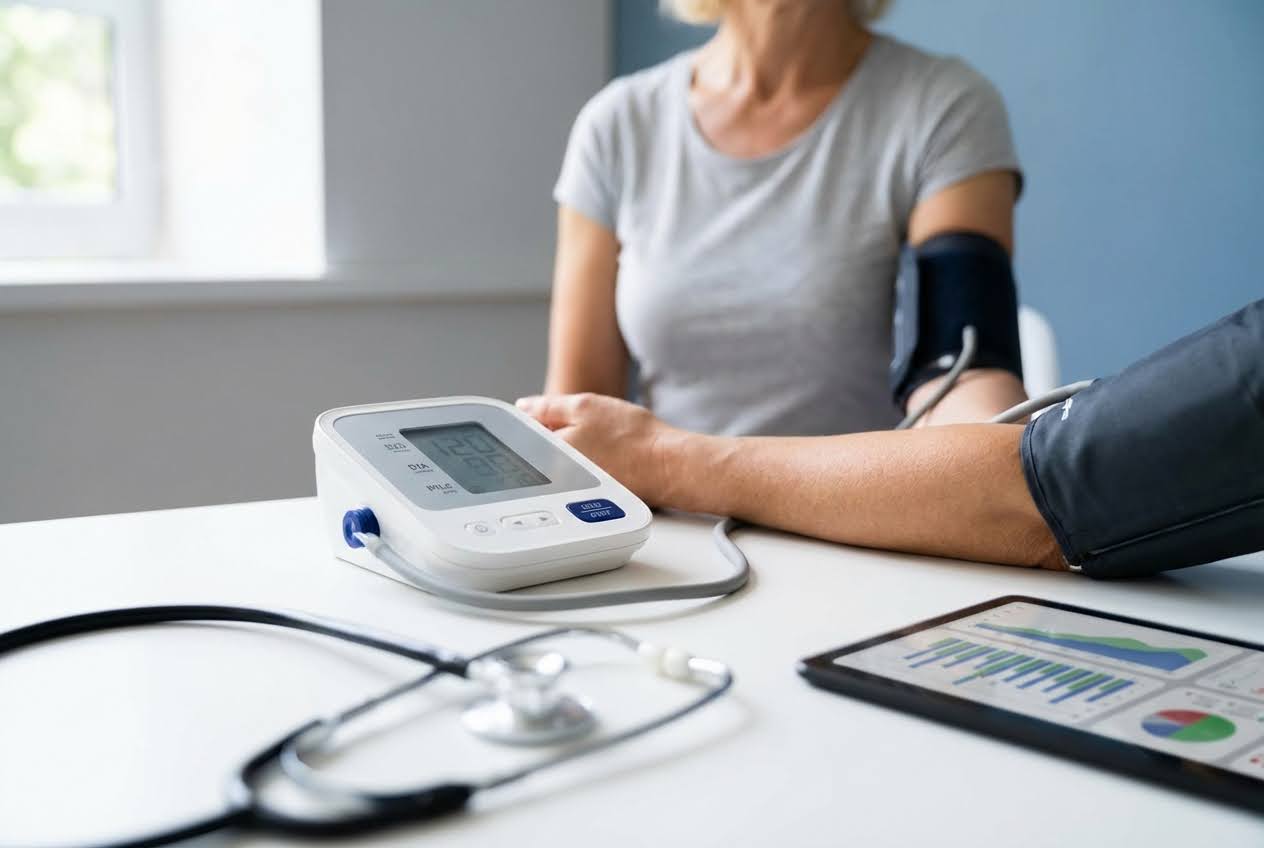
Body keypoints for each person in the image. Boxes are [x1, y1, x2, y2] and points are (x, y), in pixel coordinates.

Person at [547, 0, 1027, 438]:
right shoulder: (618, 125)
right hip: (663, 522)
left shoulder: (945, 108)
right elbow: (580, 414)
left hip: (852, 522)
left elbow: (962, 372)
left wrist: (999, 455)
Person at [518, 300, 1264, 579]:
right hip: (677, 537)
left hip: (882, 540)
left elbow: (1046, 489)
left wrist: (665, 457)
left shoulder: (937, 104)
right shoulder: (620, 121)